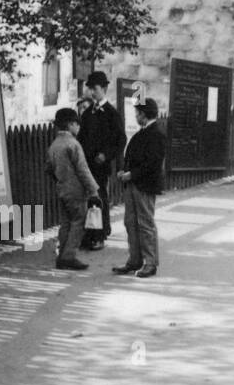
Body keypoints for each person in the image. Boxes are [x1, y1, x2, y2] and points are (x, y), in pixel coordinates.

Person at [113, 97, 165, 279]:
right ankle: (134, 260)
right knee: (131, 222)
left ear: (143, 114)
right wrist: (125, 171)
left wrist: (131, 174)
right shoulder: (144, 132)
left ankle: (150, 263)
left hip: (144, 185)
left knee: (145, 224)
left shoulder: (156, 133)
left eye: (137, 113)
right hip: (134, 184)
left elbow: (152, 163)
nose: (135, 116)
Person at [47, 107, 102, 271]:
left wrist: (60, 180)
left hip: (62, 189)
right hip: (76, 191)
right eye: (77, 124)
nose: (79, 127)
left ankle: (61, 255)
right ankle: (69, 256)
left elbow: (48, 168)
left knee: (65, 223)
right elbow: (83, 170)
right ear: (71, 124)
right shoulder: (73, 144)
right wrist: (93, 190)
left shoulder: (54, 145)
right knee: (78, 222)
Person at [78, 71, 126, 250]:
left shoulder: (112, 114)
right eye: (90, 89)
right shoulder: (87, 114)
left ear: (104, 88)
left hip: (101, 165)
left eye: (95, 89)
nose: (92, 93)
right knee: (89, 200)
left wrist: (106, 155)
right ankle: (91, 233)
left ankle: (99, 236)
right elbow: (81, 138)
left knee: (98, 199)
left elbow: (121, 140)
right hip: (87, 164)